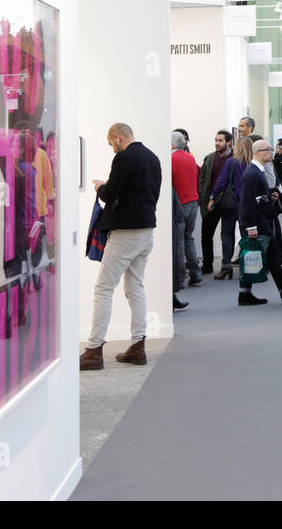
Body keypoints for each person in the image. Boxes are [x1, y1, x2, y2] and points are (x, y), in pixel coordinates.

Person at [81, 123, 161, 370]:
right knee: (135, 286)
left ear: (117, 138)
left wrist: (100, 187)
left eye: (111, 144)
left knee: (104, 288)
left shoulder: (124, 157)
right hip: (146, 230)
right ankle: (138, 346)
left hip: (125, 232)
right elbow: (149, 194)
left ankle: (94, 349)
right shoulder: (152, 157)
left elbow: (109, 194)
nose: (112, 148)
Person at [237, 140, 282, 305]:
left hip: (262, 220)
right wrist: (251, 227)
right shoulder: (252, 173)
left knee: (269, 256)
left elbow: (255, 197)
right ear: (256, 153)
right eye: (267, 150)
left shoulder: (257, 171)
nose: (271, 152)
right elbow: (246, 202)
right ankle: (276, 290)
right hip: (258, 222)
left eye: (270, 149)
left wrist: (269, 195)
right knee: (257, 256)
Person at [208, 137, 253, 278]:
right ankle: (248, 265)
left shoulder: (231, 162)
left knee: (227, 234)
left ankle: (226, 266)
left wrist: (213, 197)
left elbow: (221, 182)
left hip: (232, 204)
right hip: (248, 204)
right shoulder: (253, 164)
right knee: (246, 235)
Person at [197, 130, 233, 276]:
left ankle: (227, 264)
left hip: (230, 202)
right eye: (216, 140)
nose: (217, 143)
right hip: (212, 202)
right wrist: (203, 195)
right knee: (206, 234)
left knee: (227, 234)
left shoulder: (235, 158)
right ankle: (207, 264)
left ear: (228, 142)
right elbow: (202, 178)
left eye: (220, 141)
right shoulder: (210, 158)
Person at [170, 130, 202, 292]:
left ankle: (180, 278)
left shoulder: (171, 159)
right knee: (188, 238)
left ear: (171, 144)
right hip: (193, 202)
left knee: (179, 241)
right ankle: (195, 274)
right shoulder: (190, 157)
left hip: (180, 204)